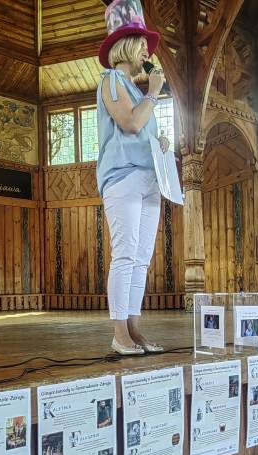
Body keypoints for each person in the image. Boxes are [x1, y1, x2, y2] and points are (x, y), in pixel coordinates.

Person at [97, 0, 169, 356]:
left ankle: (135, 329)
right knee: (125, 255)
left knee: (141, 258)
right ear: (125, 44)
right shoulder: (111, 80)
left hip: (149, 180)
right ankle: (119, 333)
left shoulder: (138, 91)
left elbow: (142, 129)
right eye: (141, 43)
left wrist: (160, 142)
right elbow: (129, 123)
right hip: (123, 178)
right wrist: (154, 93)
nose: (146, 51)